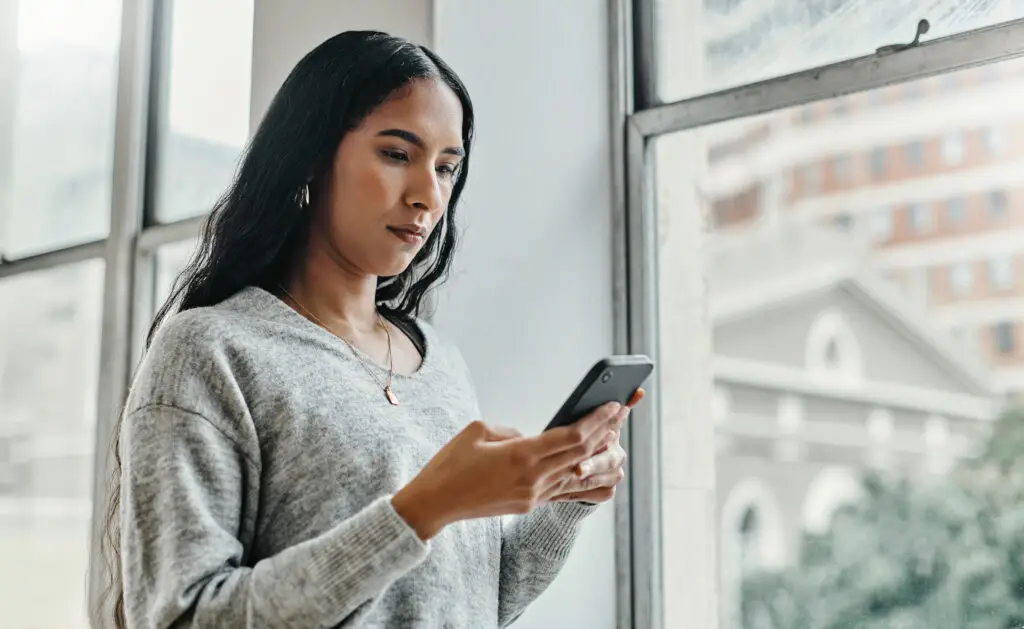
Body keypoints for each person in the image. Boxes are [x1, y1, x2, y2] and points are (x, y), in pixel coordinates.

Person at [96, 30, 643, 629]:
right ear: (311, 157)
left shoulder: (439, 361)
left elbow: (472, 603)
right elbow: (182, 618)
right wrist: (424, 507)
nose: (428, 196)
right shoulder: (211, 351)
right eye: (397, 154)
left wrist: (565, 498)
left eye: (447, 167)